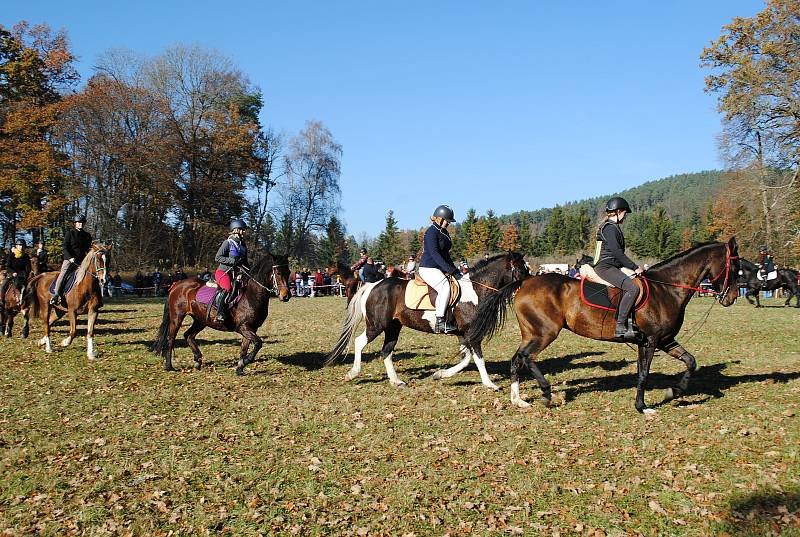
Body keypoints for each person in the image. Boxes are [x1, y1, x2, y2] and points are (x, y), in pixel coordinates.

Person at [592, 197, 644, 341]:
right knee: (633, 289)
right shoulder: (609, 228)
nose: (625, 216)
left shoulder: (611, 227)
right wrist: (634, 267)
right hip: (605, 267)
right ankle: (620, 325)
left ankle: (631, 322)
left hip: (612, 265)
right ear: (618, 211)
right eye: (625, 213)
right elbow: (617, 252)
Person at [418, 204, 459, 334]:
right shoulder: (431, 232)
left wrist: (455, 270)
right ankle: (440, 321)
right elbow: (435, 255)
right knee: (445, 287)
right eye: (447, 221)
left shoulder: (444, 232)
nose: (448, 224)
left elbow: (446, 255)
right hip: (428, 268)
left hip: (439, 267)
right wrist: (450, 270)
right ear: (439, 219)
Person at [213, 219, 250, 322]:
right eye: (243, 229)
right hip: (223, 272)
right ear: (236, 230)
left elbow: (245, 263)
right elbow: (217, 257)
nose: (244, 232)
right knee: (228, 288)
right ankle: (219, 313)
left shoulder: (243, 246)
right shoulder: (228, 243)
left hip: (236, 274)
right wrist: (232, 260)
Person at [51, 214, 93, 306]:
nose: (80, 224)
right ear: (75, 224)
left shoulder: (87, 235)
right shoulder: (70, 233)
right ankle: (56, 295)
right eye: (78, 222)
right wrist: (70, 257)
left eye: (82, 222)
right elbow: (65, 247)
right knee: (63, 274)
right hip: (70, 260)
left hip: (82, 261)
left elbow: (88, 248)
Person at [1, 239, 32, 308]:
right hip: (11, 274)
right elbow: (7, 266)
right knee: (3, 285)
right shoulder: (12, 255)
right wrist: (13, 272)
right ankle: (1, 301)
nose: (21, 247)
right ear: (16, 246)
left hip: (22, 275)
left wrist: (25, 275)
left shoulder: (26, 256)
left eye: (22, 246)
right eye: (19, 245)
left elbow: (28, 268)